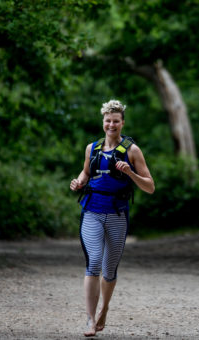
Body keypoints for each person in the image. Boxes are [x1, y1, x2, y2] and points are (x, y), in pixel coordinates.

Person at [70, 99, 155, 337]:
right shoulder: (92, 148)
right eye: (108, 120)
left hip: (118, 214)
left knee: (109, 269)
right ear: (103, 122)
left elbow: (150, 187)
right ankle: (89, 320)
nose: (111, 124)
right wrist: (78, 182)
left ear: (122, 123)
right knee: (94, 262)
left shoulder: (132, 150)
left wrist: (130, 173)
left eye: (115, 121)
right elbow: (86, 172)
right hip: (92, 212)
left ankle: (103, 310)